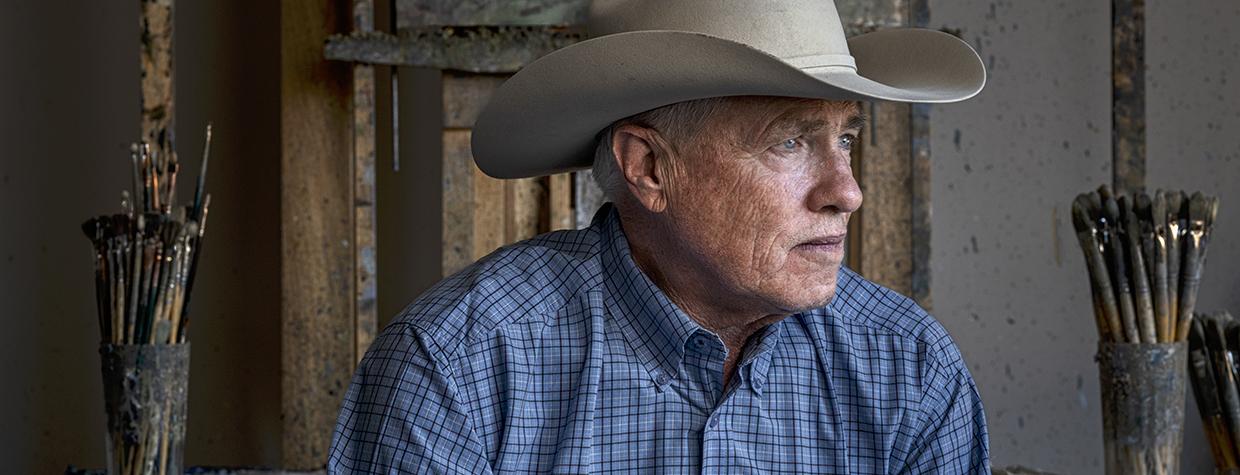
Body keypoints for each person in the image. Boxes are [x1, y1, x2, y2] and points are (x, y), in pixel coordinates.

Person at [329, 0, 990, 473]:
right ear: (647, 167)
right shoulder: (459, 366)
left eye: (844, 138)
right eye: (789, 142)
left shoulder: (910, 368)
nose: (847, 192)